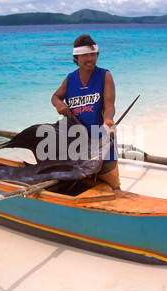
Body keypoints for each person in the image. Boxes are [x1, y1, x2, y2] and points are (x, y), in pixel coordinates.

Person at [51, 34, 120, 189]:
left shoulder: (105, 75)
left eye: (93, 54)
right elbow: (55, 96)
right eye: (85, 55)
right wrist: (58, 103)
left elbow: (110, 105)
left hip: (101, 139)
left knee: (112, 184)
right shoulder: (70, 79)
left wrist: (108, 119)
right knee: (82, 186)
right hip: (76, 143)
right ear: (76, 57)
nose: (90, 59)